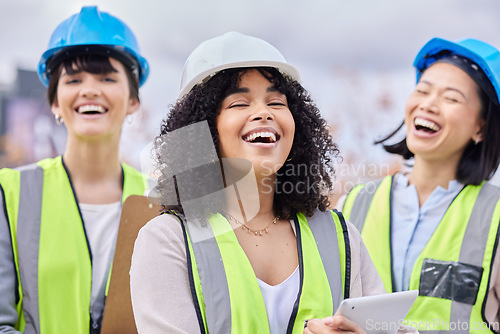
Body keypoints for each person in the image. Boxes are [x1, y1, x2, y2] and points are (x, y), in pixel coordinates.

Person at [130, 32, 416, 334]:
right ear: (202, 129)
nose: (263, 113)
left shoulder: (340, 237)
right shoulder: (168, 240)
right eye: (239, 104)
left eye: (276, 102)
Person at [0, 6, 149, 333]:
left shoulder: (160, 198)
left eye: (108, 77)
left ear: (133, 100)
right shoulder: (9, 192)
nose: (90, 89)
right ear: (55, 101)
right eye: (73, 79)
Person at [339, 37, 500, 332]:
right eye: (423, 90)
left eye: (451, 98)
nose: (428, 104)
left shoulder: (496, 215)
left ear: (481, 127)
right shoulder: (353, 203)